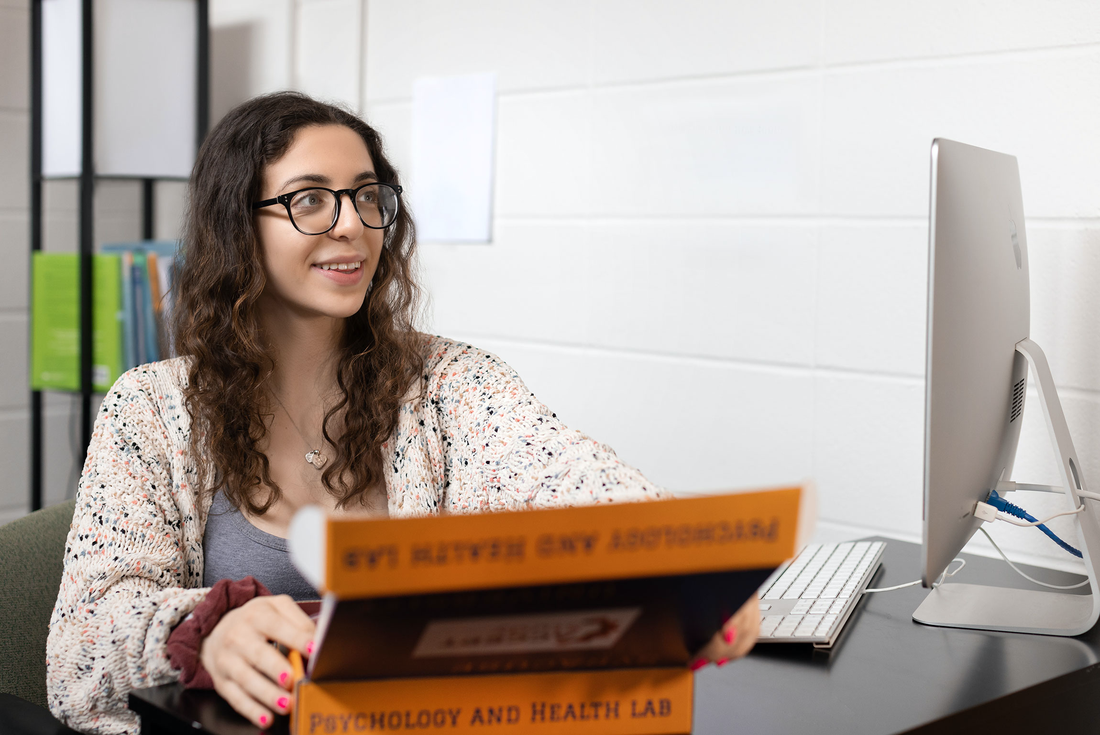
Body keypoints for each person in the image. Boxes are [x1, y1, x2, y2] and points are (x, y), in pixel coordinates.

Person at [45, 91, 760, 735]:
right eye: (310, 200)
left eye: (366, 196)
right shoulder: (150, 408)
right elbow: (78, 652)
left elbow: (577, 483)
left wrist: (685, 572)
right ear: (238, 226)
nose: (352, 225)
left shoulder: (452, 383)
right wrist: (205, 629)